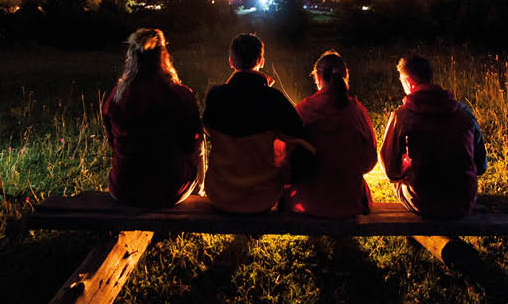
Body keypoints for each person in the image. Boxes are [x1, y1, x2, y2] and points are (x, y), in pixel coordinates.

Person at [202, 33, 309, 213]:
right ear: (261, 60)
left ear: (231, 62)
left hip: (220, 194)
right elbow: (300, 133)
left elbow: (207, 129)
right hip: (263, 198)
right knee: (286, 142)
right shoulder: (274, 99)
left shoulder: (216, 96)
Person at [101, 28, 204, 206]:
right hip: (170, 191)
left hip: (124, 190)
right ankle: (198, 193)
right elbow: (192, 143)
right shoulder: (181, 95)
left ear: (131, 58)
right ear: (163, 55)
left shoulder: (117, 97)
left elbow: (113, 141)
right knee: (199, 142)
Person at [380, 54, 487, 218]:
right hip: (462, 202)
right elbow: (481, 166)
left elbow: (390, 171)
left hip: (424, 202)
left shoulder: (402, 116)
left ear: (408, 82)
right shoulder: (464, 113)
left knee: (400, 184)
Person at [281, 51, 376, 217]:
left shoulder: (305, 109)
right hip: (349, 202)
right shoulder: (358, 112)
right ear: (345, 77)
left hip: (310, 203)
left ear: (317, 77)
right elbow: (369, 162)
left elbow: (285, 155)